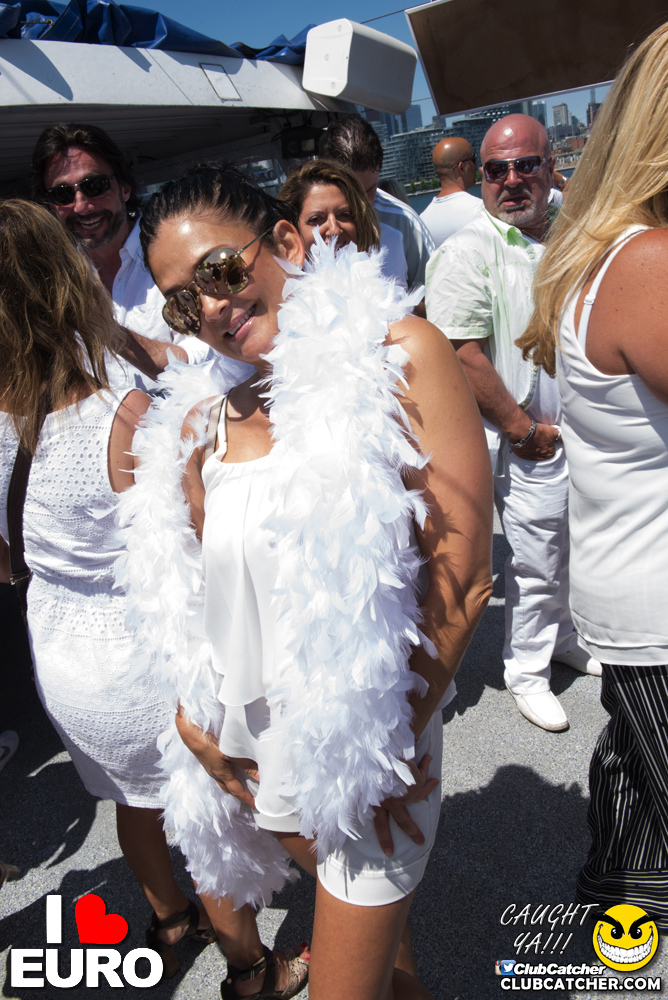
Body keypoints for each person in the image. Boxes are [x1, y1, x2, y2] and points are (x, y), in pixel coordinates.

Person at [120, 163, 493, 999]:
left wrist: (378, 754)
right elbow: (198, 593)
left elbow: (464, 578)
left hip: (365, 750)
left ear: (285, 241)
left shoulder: (401, 354)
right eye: (181, 302)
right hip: (256, 753)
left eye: (220, 271)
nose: (210, 307)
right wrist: (195, 728)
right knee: (387, 967)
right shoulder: (206, 423)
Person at [0, 199, 217, 978]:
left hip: (63, 663)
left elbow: (5, 562)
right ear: (71, 284)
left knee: (134, 803)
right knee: (206, 809)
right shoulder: (121, 414)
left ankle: (170, 917)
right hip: (141, 662)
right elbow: (182, 550)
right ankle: (249, 961)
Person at [518, 22, 668, 928]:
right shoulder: (646, 262)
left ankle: (616, 925)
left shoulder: (609, 251)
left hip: (633, 593)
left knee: (636, 789)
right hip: (657, 606)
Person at [425, 113, 601, 734]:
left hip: (585, 431)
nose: (512, 180)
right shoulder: (468, 251)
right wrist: (523, 430)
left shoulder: (573, 230)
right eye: (497, 170)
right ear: (480, 176)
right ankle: (526, 670)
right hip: (528, 441)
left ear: (550, 166)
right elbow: (461, 353)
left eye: (526, 165)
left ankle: (565, 639)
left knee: (575, 548)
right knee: (536, 559)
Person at [30, 122, 211, 381]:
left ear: (125, 188)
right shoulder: (53, 280)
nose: (81, 207)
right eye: (62, 194)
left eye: (94, 186)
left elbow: (209, 358)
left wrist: (108, 330)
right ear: (51, 206)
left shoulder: (177, 251)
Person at [319, 117, 435, 295]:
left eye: (370, 190)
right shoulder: (303, 225)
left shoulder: (405, 223)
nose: (363, 203)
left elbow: (435, 296)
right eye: (352, 192)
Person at [279, 158, 408, 289]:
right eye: (316, 219)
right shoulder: (279, 298)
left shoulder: (384, 290)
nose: (334, 229)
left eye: (345, 214)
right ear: (291, 231)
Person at [420, 138, 481, 246]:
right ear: (461, 167)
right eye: (473, 160)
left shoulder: (421, 222)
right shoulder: (480, 210)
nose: (475, 165)